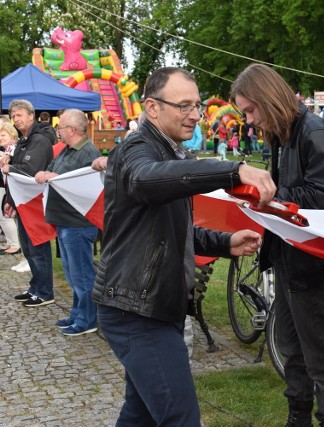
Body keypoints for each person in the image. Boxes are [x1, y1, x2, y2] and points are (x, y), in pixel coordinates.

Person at [92, 67, 275, 426]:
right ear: (152, 107)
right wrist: (232, 171)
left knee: (140, 414)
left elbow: (171, 231)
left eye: (198, 104)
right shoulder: (136, 152)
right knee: (181, 418)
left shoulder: (170, 153)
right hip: (137, 310)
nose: (195, 114)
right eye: (184, 105)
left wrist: (226, 243)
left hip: (155, 305)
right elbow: (147, 180)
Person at [231, 63, 324, 427]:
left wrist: (268, 196)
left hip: (309, 260)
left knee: (320, 356)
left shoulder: (312, 130)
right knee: (290, 345)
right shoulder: (282, 132)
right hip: (286, 254)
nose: (249, 120)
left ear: (267, 98)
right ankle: (297, 417)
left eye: (250, 110)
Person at [34, 109, 101, 335]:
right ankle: (77, 314)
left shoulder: (88, 153)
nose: (57, 131)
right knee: (73, 274)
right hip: (65, 222)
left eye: (60, 127)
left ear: (72, 129)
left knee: (82, 275)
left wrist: (54, 177)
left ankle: (87, 320)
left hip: (78, 224)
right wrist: (46, 173)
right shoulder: (67, 151)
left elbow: (87, 188)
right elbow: (53, 172)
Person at [3, 99, 55, 307]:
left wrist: (9, 168)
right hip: (24, 202)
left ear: (31, 115)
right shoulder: (25, 139)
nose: (16, 119)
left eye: (19, 115)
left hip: (36, 203)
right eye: (13, 116)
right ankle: (36, 287)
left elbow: (30, 169)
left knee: (38, 248)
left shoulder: (39, 140)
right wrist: (10, 200)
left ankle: (45, 291)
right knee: (28, 248)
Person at [0, 123, 22, 255]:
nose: (0, 138)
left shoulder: (13, 149)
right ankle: (10, 242)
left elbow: (13, 167)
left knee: (6, 216)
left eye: (3, 135)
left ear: (12, 135)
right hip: (5, 186)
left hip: (7, 187)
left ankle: (15, 244)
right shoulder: (8, 149)